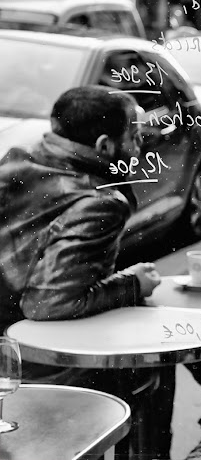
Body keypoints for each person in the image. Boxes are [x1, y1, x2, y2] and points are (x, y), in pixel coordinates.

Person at [0, 86, 170, 458]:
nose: (142, 148)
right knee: (148, 374)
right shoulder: (101, 202)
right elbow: (48, 303)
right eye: (136, 137)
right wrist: (133, 284)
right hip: (21, 364)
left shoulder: (18, 158)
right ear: (105, 146)